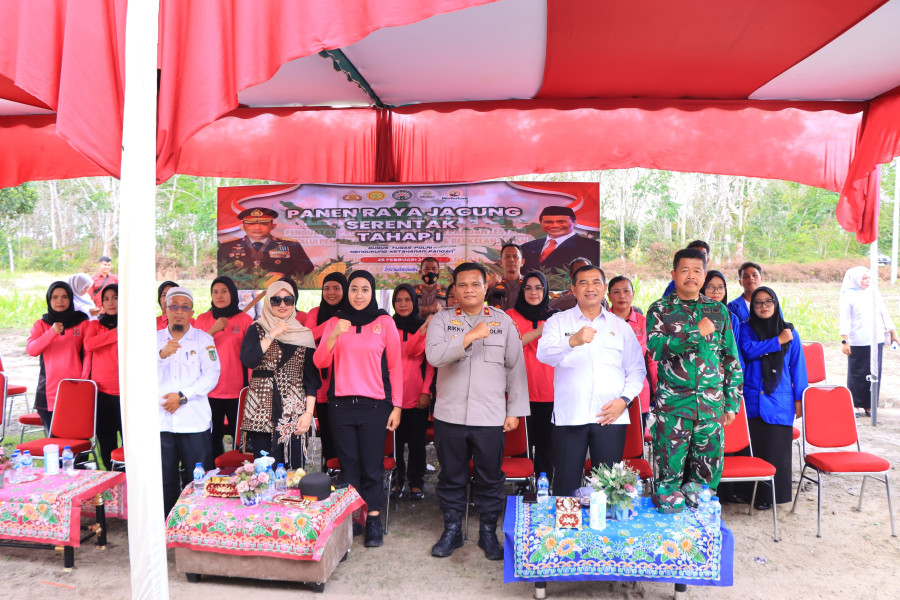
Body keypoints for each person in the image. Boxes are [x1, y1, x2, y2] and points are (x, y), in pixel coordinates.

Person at [425, 262, 528, 560]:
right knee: (451, 476)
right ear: (454, 289)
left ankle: (487, 533)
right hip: (450, 415)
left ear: (486, 287)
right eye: (462, 284)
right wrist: (468, 337)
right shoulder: (441, 321)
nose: (469, 289)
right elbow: (434, 356)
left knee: (490, 477)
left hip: (490, 415)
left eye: (475, 284)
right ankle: (452, 531)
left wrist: (514, 410)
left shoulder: (504, 322)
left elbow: (516, 369)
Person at [646, 248, 743, 512]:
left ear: (704, 275)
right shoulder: (660, 309)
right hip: (674, 409)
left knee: (705, 484)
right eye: (685, 270)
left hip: (711, 409)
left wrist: (732, 402)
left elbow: (731, 360)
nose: (691, 276)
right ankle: (669, 541)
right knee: (669, 482)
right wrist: (695, 332)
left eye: (697, 271)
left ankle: (701, 537)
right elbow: (656, 349)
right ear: (673, 274)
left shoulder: (718, 311)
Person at [537, 266, 646, 497]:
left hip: (610, 416)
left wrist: (625, 401)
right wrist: (572, 341)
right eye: (583, 283)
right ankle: (566, 529)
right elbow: (543, 355)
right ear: (574, 290)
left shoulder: (620, 327)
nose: (590, 288)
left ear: (604, 289)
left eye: (596, 282)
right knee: (565, 483)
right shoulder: (558, 322)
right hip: (570, 416)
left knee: (608, 486)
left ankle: (604, 529)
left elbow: (636, 369)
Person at [313, 270, 403, 548]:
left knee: (372, 465)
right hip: (340, 405)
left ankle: (374, 518)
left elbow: (395, 367)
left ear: (372, 292)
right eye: (354, 289)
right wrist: (333, 336)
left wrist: (397, 406)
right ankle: (353, 518)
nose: (359, 295)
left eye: (365, 289)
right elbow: (320, 362)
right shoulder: (335, 322)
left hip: (376, 405)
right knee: (349, 465)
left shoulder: (384, 322)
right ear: (347, 292)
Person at [739, 287, 808, 508]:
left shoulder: (790, 332)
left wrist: (800, 400)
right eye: (758, 303)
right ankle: (747, 494)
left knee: (775, 450)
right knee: (754, 450)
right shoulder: (746, 329)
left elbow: (798, 368)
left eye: (768, 301)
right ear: (752, 307)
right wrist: (777, 341)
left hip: (780, 400)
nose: (763, 306)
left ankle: (772, 497)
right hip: (752, 400)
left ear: (776, 304)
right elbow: (748, 351)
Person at [240, 280, 319, 469]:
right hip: (261, 409)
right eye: (276, 300)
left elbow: (311, 379)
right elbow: (249, 360)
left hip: (293, 411)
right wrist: (271, 334)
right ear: (268, 302)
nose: (282, 305)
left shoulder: (304, 334)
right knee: (263, 471)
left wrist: (309, 414)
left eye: (288, 300)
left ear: (294, 303)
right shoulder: (256, 329)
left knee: (293, 471)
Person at [157, 287, 220, 516]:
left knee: (199, 481)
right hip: (162, 423)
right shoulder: (153, 341)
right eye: (174, 306)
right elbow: (139, 374)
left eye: (185, 307)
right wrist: (161, 355)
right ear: (165, 310)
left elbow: (212, 375)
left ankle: (198, 525)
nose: (179, 312)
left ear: (192, 311)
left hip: (194, 422)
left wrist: (182, 396)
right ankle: (167, 527)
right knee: (165, 482)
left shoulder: (204, 340)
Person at [194, 276, 254, 457]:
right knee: (212, 437)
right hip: (209, 390)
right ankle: (212, 474)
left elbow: (251, 356)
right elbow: (194, 350)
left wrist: (250, 387)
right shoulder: (202, 320)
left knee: (240, 441)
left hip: (237, 390)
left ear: (232, 294)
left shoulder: (244, 320)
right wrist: (213, 330)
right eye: (215, 292)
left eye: (224, 291)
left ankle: (240, 479)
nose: (219, 296)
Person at [505, 271, 557, 479]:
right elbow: (509, 347)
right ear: (522, 290)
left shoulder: (556, 317)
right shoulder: (510, 315)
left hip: (549, 391)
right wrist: (537, 332)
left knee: (546, 446)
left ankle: (544, 486)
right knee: (520, 447)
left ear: (545, 291)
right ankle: (522, 486)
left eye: (538, 288)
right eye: (528, 288)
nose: (533, 292)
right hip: (519, 391)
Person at [391, 284, 435, 500]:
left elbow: (429, 363)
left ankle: (416, 482)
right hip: (391, 398)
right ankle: (396, 480)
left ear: (414, 303)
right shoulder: (386, 326)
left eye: (407, 300)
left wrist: (426, 391)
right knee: (395, 443)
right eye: (398, 300)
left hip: (417, 395)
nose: (403, 304)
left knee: (417, 443)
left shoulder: (423, 327)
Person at [27, 282, 89, 432]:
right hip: (49, 392)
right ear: (49, 300)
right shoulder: (41, 324)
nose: (59, 301)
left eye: (64, 297)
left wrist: (83, 380)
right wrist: (52, 332)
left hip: (77, 387)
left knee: (79, 438)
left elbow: (89, 353)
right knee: (55, 442)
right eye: (55, 297)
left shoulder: (82, 322)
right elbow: (32, 350)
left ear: (70, 299)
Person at [839, 266, 900, 417]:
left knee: (874, 372)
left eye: (868, 278)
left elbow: (883, 312)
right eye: (864, 278)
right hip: (857, 340)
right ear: (855, 279)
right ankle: (855, 403)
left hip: (876, 338)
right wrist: (844, 340)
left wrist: (893, 332)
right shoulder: (848, 295)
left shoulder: (874, 293)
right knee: (858, 372)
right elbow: (844, 319)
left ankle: (869, 404)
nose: (867, 281)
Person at [303, 272, 349, 464]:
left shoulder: (351, 313)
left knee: (344, 432)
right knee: (327, 432)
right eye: (327, 288)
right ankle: (329, 471)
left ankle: (346, 472)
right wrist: (330, 325)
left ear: (344, 290)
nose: (331, 292)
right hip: (322, 384)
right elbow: (306, 337)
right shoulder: (314, 313)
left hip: (344, 384)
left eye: (336, 288)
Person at [217, 207, 315, 289]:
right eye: (251, 224)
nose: (257, 228)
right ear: (242, 227)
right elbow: (221, 271)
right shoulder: (227, 246)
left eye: (264, 223)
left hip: (278, 289)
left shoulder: (290, 245)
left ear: (273, 226)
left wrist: (284, 276)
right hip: (242, 291)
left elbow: (307, 268)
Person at [607, 275, 658, 430]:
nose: (622, 296)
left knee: (635, 445)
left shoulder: (646, 323)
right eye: (616, 292)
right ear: (609, 296)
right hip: (608, 392)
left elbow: (653, 361)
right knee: (608, 446)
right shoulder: (600, 321)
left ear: (633, 294)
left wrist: (657, 391)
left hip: (638, 392)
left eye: (626, 291)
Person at [83, 284, 122, 470]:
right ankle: (110, 479)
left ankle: (131, 480)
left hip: (126, 394)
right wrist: (115, 333)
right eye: (106, 299)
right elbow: (89, 344)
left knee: (130, 441)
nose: (111, 302)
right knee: (106, 440)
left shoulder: (131, 326)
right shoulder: (95, 325)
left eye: (115, 297)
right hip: (101, 393)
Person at [522, 206, 601, 274]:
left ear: (575, 222)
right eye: (548, 222)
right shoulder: (527, 247)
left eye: (561, 222)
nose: (554, 225)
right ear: (540, 223)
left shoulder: (593, 247)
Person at [701, 270, 743, 364]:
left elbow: (734, 351)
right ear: (702, 288)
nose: (716, 292)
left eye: (720, 287)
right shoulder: (694, 314)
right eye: (710, 287)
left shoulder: (732, 318)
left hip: (723, 371)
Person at [486, 243, 525, 311]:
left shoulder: (529, 284)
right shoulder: (493, 284)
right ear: (500, 262)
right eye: (507, 256)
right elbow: (473, 302)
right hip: (497, 321)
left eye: (515, 256)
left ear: (522, 262)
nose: (511, 260)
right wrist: (487, 285)